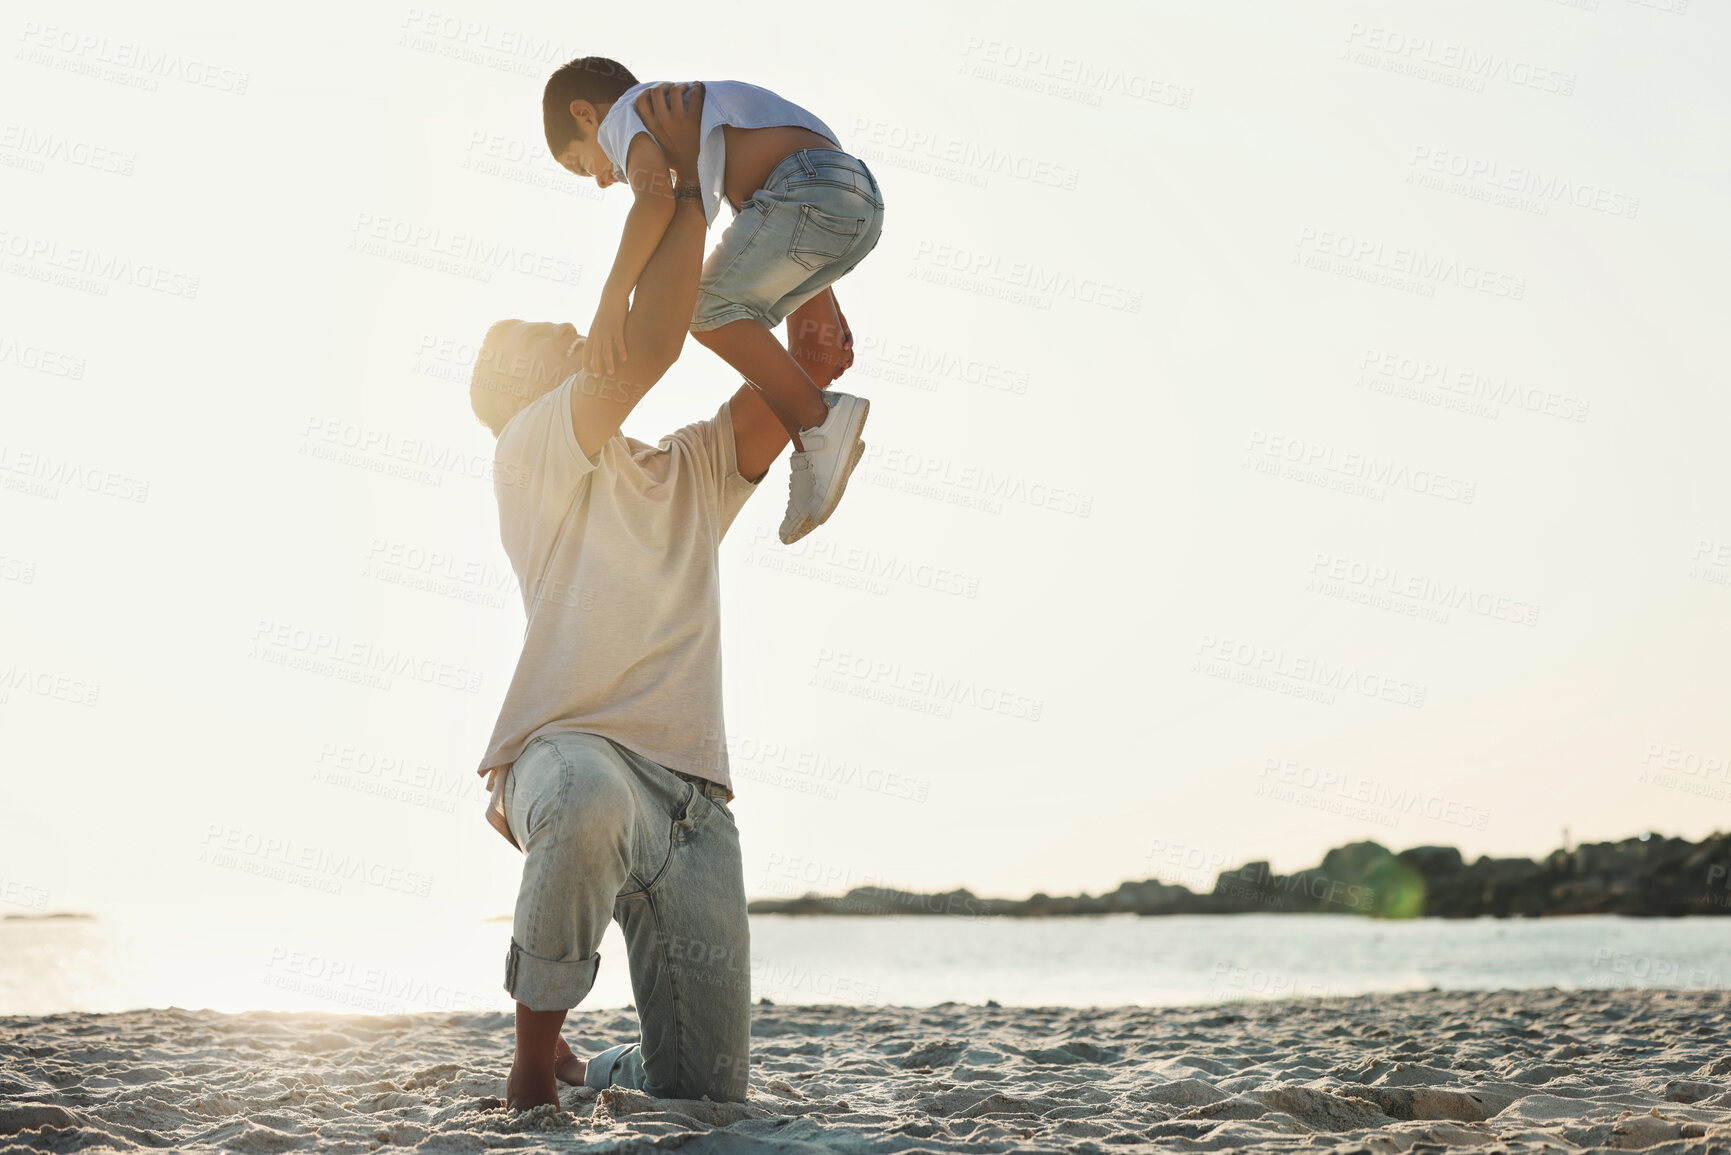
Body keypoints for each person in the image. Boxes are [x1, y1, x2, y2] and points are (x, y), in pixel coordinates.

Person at [467, 83, 852, 1110]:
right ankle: (533, 1062)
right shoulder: (530, 449)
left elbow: (804, 373)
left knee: (705, 1092)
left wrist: (804, 268)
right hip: (567, 754)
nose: (558, 327)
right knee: (589, 800)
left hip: (694, 802)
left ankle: (608, 1071)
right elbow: (652, 345)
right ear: (517, 396)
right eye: (530, 340)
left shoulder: (685, 471)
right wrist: (678, 186)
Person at [542, 57, 884, 545]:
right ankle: (812, 435)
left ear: (584, 114)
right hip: (852, 198)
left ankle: (819, 420)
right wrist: (813, 279)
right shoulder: (692, 116)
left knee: (701, 308)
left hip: (805, 186)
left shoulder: (627, 113)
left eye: (581, 164)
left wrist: (613, 298)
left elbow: (656, 202)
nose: (598, 179)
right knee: (731, 306)